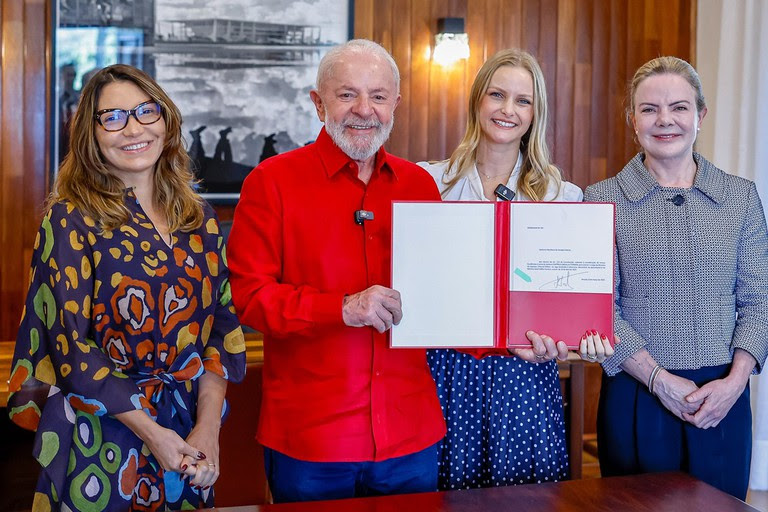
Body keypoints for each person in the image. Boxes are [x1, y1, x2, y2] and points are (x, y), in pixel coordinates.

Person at [7, 64, 246, 511]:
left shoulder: (200, 220)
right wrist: (153, 434)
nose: (133, 128)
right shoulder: (69, 220)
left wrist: (208, 429)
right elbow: (72, 350)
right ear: (91, 135)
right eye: (112, 117)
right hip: (102, 437)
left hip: (188, 433)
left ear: (166, 119)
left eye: (145, 111)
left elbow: (221, 332)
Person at [227, 39, 449, 503]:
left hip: (410, 436)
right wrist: (342, 308)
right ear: (318, 102)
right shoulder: (271, 182)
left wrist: (510, 338)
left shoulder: (420, 185)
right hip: (311, 441)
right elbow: (248, 298)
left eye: (379, 96)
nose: (364, 110)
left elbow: (442, 297)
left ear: (396, 105)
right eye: (347, 94)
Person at [420, 48, 613, 490]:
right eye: (497, 95)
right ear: (477, 102)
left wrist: (569, 343)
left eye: (522, 101)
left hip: (525, 378)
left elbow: (573, 311)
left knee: (525, 498)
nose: (508, 110)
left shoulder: (565, 198)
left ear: (535, 113)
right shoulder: (430, 183)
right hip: (446, 375)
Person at [584, 56, 768, 499]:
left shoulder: (740, 197)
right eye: (649, 109)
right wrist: (657, 379)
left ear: (700, 116)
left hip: (722, 399)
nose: (665, 120)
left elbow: (759, 299)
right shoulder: (599, 199)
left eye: (679, 107)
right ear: (632, 121)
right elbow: (602, 306)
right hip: (635, 395)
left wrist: (737, 380)